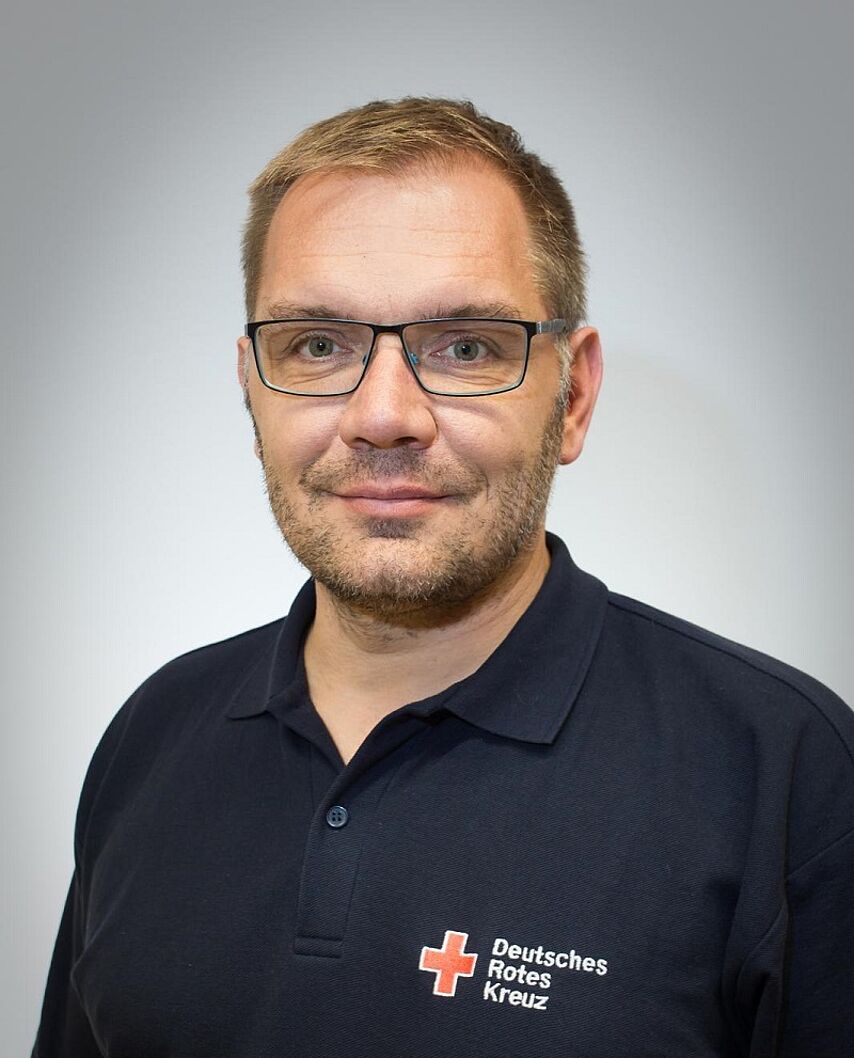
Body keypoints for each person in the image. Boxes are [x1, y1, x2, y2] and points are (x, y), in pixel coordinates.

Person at [32, 97, 853, 1058]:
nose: (384, 416)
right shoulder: (152, 736)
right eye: (317, 345)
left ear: (574, 395)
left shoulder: (783, 774)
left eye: (466, 347)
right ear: (251, 387)